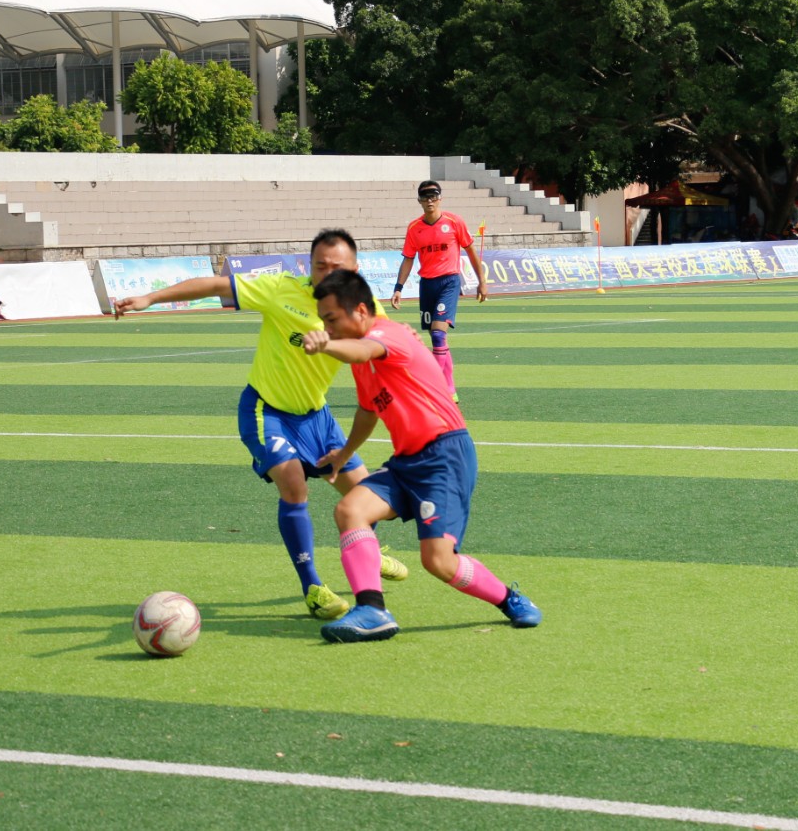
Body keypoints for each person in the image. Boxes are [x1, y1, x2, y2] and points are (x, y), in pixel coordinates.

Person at [112, 228, 406, 621]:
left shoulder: (365, 309)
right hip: (266, 410)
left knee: (367, 497)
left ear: (355, 269)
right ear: (309, 265)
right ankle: (313, 587)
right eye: (320, 265)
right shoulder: (280, 289)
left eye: (337, 267)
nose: (326, 273)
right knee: (294, 486)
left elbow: (392, 349)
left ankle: (366, 544)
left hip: (317, 417)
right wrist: (150, 298)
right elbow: (213, 285)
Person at [305, 268, 540, 642]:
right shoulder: (363, 365)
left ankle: (508, 599)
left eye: (332, 319)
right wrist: (344, 454)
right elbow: (369, 411)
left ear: (361, 311)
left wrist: (325, 345)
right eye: (323, 323)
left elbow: (364, 348)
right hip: (407, 461)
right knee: (350, 510)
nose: (328, 328)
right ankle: (372, 610)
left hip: (445, 456)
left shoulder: (388, 334)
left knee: (438, 562)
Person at [390, 180, 487, 401]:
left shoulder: (454, 222)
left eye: (433, 196)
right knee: (437, 340)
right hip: (427, 285)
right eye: (425, 197)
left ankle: (433, 388)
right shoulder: (415, 228)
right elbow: (408, 259)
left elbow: (471, 251)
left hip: (449, 282)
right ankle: (450, 388)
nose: (430, 200)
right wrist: (398, 288)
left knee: (437, 333)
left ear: (440, 198)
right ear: (419, 201)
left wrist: (482, 281)